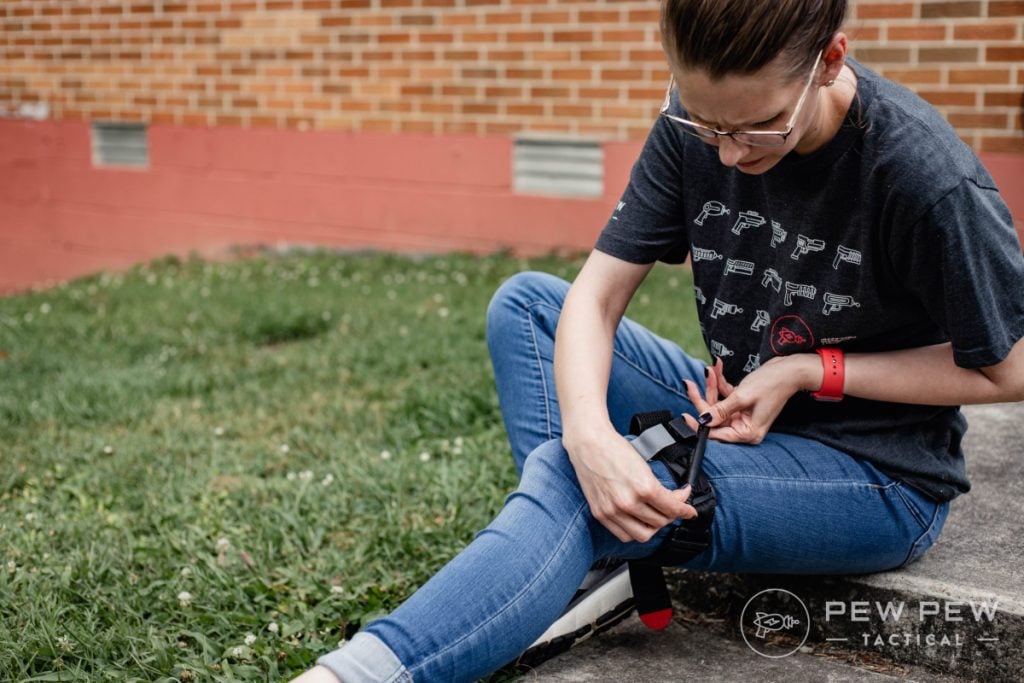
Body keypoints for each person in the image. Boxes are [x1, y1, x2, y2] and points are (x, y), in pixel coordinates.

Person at [294, 0, 1024, 680]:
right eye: (709, 128)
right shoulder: (693, 123)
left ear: (831, 60)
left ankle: (361, 670)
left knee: (570, 481)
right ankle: (601, 547)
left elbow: (1009, 369)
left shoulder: (924, 177)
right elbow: (595, 296)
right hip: (741, 413)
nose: (730, 155)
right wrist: (587, 433)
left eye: (757, 127)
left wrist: (811, 370)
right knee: (529, 310)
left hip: (879, 475)